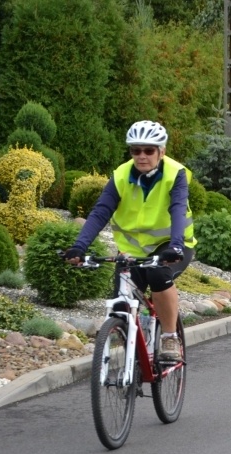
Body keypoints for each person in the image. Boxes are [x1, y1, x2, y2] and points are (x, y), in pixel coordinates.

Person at [64, 121, 196, 362]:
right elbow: (100, 212)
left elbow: (178, 209)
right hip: (132, 251)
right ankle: (135, 357)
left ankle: (169, 337)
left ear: (161, 152)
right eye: (136, 150)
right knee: (121, 305)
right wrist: (79, 246)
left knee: (158, 275)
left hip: (173, 245)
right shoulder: (121, 176)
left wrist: (176, 245)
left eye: (148, 150)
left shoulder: (175, 174)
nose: (142, 156)